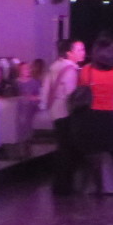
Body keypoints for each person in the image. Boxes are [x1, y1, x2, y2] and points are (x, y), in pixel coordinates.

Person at [75, 35, 113, 194]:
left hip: (92, 115)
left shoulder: (87, 71)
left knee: (94, 154)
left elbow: (80, 88)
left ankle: (97, 187)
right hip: (111, 114)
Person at [42, 38, 86, 194]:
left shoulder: (54, 66)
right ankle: (64, 185)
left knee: (63, 148)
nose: (83, 53)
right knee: (67, 149)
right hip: (65, 112)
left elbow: (45, 89)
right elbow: (71, 95)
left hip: (55, 111)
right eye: (79, 50)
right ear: (69, 52)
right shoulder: (71, 70)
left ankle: (60, 184)